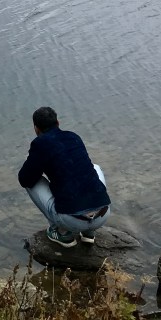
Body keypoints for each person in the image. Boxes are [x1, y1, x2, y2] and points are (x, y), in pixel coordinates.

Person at [18, 106, 111, 248]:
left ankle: (62, 233)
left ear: (36, 128)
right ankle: (89, 233)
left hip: (72, 220)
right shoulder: (74, 137)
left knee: (32, 182)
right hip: (102, 215)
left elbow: (24, 178)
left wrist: (36, 163)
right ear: (58, 123)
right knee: (95, 168)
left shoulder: (40, 144)